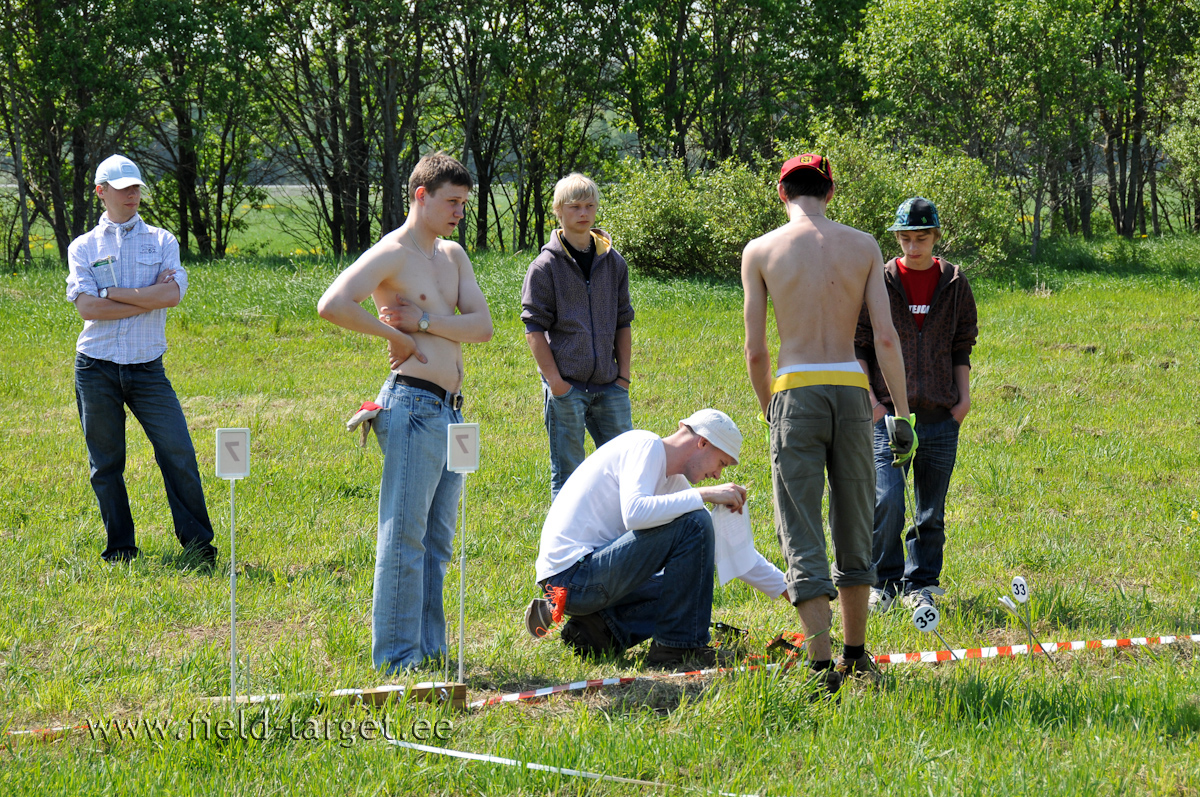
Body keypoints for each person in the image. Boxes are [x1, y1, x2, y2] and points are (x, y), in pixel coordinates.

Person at [741, 153, 916, 694]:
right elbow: (885, 337)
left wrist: (768, 403)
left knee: (800, 522)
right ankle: (857, 655)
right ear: (830, 193)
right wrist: (903, 415)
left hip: (795, 388)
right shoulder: (864, 246)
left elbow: (754, 350)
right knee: (854, 517)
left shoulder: (761, 250)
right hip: (851, 390)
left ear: (782, 194)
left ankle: (820, 666)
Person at [317, 152, 493, 673]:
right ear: (421, 196)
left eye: (464, 202)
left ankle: (430, 653)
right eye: (452, 202)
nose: (460, 212)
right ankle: (396, 663)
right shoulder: (392, 253)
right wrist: (395, 333)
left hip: (451, 412)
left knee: (437, 542)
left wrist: (426, 322)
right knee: (404, 538)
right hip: (411, 406)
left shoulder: (454, 256)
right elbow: (332, 303)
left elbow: (481, 326)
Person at [524, 410, 788, 670]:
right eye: (722, 463)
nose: (719, 475)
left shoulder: (671, 479)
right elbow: (635, 514)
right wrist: (705, 494)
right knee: (696, 523)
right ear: (703, 442)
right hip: (573, 578)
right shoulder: (645, 445)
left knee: (690, 582)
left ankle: (598, 630)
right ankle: (678, 649)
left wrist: (793, 590)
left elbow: (720, 549)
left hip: (581, 580)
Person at [66, 154, 217, 565]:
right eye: (123, 188)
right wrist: (144, 300)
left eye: (136, 188)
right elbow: (87, 310)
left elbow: (171, 296)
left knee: (179, 452)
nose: (133, 194)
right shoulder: (82, 247)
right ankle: (120, 551)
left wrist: (112, 293)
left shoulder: (162, 241)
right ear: (101, 192)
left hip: (148, 369)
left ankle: (200, 548)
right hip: (95, 368)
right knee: (106, 464)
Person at [855, 197, 978, 614]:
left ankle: (921, 582)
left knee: (931, 509)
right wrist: (871, 402)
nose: (912, 246)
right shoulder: (879, 280)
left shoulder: (955, 283)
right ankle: (883, 582)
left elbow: (962, 344)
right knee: (886, 500)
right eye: (905, 238)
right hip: (887, 414)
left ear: (936, 237)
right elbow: (860, 344)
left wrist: (962, 401)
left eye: (921, 237)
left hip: (941, 415)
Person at [521, 173, 634, 500]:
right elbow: (533, 328)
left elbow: (623, 321)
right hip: (566, 388)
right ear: (558, 210)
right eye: (574, 207)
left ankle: (618, 540)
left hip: (610, 386)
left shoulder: (614, 263)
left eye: (589, 205)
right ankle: (565, 549)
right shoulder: (544, 267)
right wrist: (555, 382)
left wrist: (623, 377)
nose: (583, 213)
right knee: (568, 475)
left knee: (625, 469)